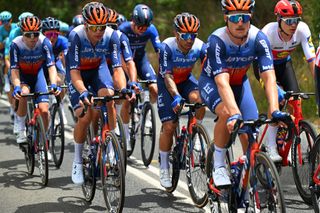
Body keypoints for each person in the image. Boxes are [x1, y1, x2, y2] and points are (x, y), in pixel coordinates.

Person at [198, 0, 288, 187]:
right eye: (235, 18)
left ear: (251, 17)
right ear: (226, 18)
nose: (240, 22)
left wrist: (274, 110)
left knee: (250, 134)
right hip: (212, 83)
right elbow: (222, 83)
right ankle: (219, 165)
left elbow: (269, 77)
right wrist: (234, 114)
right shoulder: (217, 40)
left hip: (240, 83)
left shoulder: (259, 38)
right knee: (226, 113)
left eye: (245, 17)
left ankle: (248, 185)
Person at [66, 2, 127, 185]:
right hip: (78, 74)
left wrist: (123, 89)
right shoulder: (76, 35)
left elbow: (117, 68)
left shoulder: (112, 35)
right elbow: (74, 71)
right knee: (85, 116)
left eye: (102, 26)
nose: (99, 31)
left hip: (98, 69)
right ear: (85, 25)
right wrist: (83, 91)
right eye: (94, 27)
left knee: (109, 96)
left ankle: (110, 142)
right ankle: (77, 161)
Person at [253, 0, 316, 162]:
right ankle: (270, 145)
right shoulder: (267, 32)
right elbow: (262, 64)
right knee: (279, 98)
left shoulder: (302, 30)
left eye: (296, 20)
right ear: (278, 19)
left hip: (284, 65)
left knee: (296, 100)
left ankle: (286, 141)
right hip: (264, 67)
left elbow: (312, 61)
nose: (293, 25)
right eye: (289, 21)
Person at [157, 13, 206, 188]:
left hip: (185, 79)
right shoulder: (166, 47)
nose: (189, 39)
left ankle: (195, 137)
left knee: (199, 102)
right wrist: (176, 96)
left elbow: (210, 70)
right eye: (185, 35)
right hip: (167, 83)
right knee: (169, 126)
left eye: (193, 35)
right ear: (176, 33)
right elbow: (168, 76)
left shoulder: (200, 46)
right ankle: (163, 167)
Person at [10, 15, 60, 144]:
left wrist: (54, 84)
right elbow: (14, 69)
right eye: (28, 35)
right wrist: (16, 86)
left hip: (38, 75)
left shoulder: (44, 42)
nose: (32, 38)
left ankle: (44, 140)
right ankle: (20, 128)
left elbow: (51, 66)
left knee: (44, 110)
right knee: (24, 93)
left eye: (35, 34)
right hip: (23, 76)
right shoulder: (16, 44)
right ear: (22, 33)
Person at [106, 8, 141, 151]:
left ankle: (124, 133)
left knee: (124, 97)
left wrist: (133, 81)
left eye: (113, 26)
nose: (109, 30)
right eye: (106, 26)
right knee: (95, 110)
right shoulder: (94, 38)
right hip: (99, 69)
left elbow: (128, 61)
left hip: (115, 68)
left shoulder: (121, 37)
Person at [118, 4, 160, 104]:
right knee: (126, 97)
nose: (143, 30)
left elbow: (160, 52)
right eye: (140, 27)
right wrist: (132, 77)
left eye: (146, 27)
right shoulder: (122, 30)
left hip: (141, 60)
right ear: (133, 21)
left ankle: (148, 113)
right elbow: (119, 56)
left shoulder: (151, 29)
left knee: (154, 88)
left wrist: (164, 71)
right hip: (125, 62)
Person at [4, 12, 34, 136]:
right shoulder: (14, 34)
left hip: (31, 61)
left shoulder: (36, 33)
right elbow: (8, 57)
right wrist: (11, 73)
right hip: (15, 59)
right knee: (15, 85)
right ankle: (17, 116)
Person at [42, 17, 69, 123]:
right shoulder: (39, 41)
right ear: (43, 34)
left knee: (60, 82)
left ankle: (59, 105)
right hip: (41, 65)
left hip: (55, 63)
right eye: (48, 35)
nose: (52, 38)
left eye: (55, 34)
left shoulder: (63, 41)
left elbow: (68, 59)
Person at [0, 11, 18, 109]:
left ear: (11, 20)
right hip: (4, 49)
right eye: (3, 21)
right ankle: (6, 78)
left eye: (7, 21)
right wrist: (5, 41)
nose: (5, 23)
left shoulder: (15, 27)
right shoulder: (0, 30)